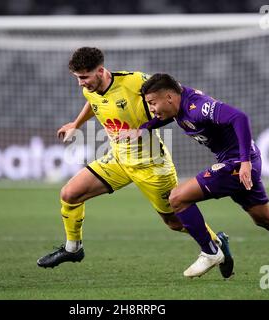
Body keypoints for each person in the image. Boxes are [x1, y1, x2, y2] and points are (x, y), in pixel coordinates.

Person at [37, 47, 234, 278]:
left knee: (173, 222)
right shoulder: (90, 89)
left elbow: (175, 97)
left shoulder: (134, 81)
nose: (81, 83)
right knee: (70, 194)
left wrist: (143, 129)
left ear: (100, 71)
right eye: (77, 78)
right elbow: (94, 102)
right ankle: (73, 248)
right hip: (118, 160)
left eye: (84, 77)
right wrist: (75, 124)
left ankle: (215, 241)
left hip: (151, 164)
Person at [139, 73, 269, 281]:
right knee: (265, 218)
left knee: (177, 198)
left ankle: (210, 251)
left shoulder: (198, 107)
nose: (152, 109)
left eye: (153, 103)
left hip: (237, 163)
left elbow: (239, 117)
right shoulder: (177, 106)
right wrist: (144, 128)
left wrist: (244, 162)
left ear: (169, 97)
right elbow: (167, 117)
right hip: (243, 160)